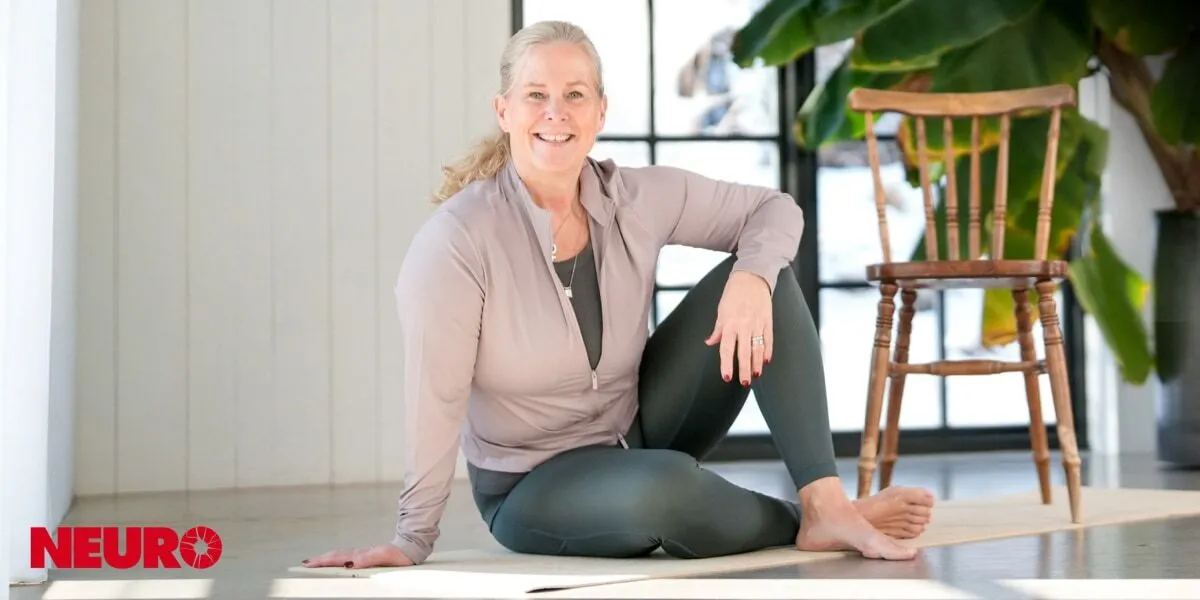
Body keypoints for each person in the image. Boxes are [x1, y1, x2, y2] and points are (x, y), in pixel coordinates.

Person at [302, 20, 935, 570]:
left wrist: (750, 277)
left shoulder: (633, 196)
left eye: (575, 95)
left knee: (766, 279)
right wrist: (412, 538)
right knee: (665, 488)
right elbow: (434, 396)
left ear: (600, 112)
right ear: (504, 111)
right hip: (533, 487)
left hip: (636, 429)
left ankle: (825, 499)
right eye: (536, 95)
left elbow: (774, 210)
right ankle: (809, 520)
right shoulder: (456, 242)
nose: (556, 112)